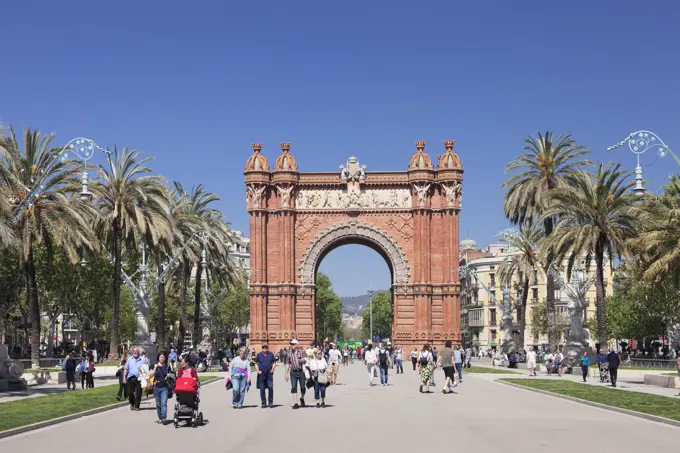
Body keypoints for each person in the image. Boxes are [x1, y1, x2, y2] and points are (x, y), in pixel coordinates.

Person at [285, 339, 307, 409]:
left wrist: (300, 360)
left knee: (303, 388)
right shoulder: (289, 353)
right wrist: (286, 374)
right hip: (293, 372)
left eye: (293, 344)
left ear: (297, 345)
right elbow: (288, 363)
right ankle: (296, 403)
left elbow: (305, 360)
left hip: (301, 372)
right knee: (294, 387)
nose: (292, 345)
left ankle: (302, 398)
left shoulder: (302, 352)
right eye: (291, 344)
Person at [149, 351, 170, 423]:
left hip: (164, 387)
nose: (162, 358)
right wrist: (155, 368)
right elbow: (150, 375)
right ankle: (160, 417)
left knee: (164, 403)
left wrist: (169, 375)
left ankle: (164, 417)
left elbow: (171, 374)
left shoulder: (167, 366)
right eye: (161, 357)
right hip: (156, 387)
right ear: (158, 358)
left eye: (163, 357)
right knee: (158, 404)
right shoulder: (154, 366)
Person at [123, 347, 145, 411]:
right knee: (130, 393)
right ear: (132, 352)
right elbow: (126, 369)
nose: (135, 352)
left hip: (139, 378)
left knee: (138, 393)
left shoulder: (143, 359)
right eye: (134, 351)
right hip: (130, 378)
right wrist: (124, 377)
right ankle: (132, 403)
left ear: (138, 352)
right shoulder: (129, 359)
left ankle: (137, 406)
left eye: (136, 351)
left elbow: (146, 368)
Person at [255, 343, 276, 408]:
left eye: (266, 347)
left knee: (270, 387)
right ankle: (263, 403)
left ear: (267, 347)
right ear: (262, 348)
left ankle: (270, 402)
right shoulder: (259, 355)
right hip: (261, 374)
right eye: (263, 347)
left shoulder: (271, 354)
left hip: (269, 373)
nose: (264, 348)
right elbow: (256, 363)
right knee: (262, 389)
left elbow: (274, 362)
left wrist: (272, 369)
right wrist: (258, 371)